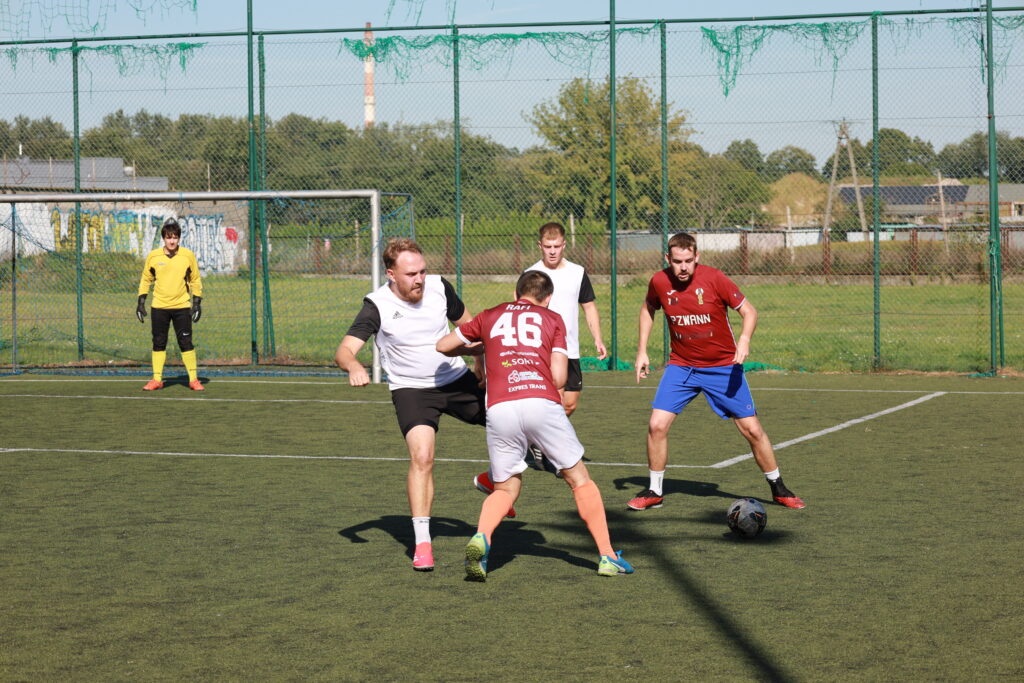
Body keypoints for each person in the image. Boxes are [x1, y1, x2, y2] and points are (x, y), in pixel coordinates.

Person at [437, 270, 635, 581]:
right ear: (548, 298)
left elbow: (443, 345)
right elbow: (559, 377)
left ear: (516, 294)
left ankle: (482, 537)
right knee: (580, 480)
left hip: (500, 407)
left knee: (506, 488)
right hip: (540, 402)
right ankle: (608, 556)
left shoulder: (490, 315)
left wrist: (483, 347)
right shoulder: (553, 319)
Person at [335, 238, 502, 572]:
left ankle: (494, 480)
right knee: (422, 457)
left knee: (511, 421)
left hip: (455, 380)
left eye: (422, 271)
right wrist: (353, 366)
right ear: (391, 274)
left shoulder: (440, 287)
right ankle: (423, 544)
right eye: (411, 274)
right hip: (412, 391)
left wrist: (480, 361)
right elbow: (344, 351)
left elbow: (471, 329)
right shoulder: (376, 305)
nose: (420, 279)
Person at [627, 232, 805, 511]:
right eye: (677, 261)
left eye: (688, 261)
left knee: (752, 430)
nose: (683, 267)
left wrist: (744, 340)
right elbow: (648, 307)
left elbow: (750, 312)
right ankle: (654, 490)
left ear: (697, 257)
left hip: (723, 367)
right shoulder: (659, 281)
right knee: (656, 425)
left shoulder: (715, 278)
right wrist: (642, 350)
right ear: (668, 259)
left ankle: (778, 487)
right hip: (682, 366)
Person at [522, 222, 606, 473]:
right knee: (555, 402)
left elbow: (588, 306)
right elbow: (519, 308)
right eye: (547, 246)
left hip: (570, 349)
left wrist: (598, 338)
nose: (552, 251)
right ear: (540, 245)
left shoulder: (577, 272)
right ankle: (556, 456)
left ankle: (535, 439)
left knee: (569, 404)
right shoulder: (531, 274)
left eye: (556, 246)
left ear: (564, 245)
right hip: (542, 351)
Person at [136, 217, 204, 392]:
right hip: (159, 307)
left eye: (175, 237)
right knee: (159, 342)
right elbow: (146, 279)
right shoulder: (153, 256)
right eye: (168, 237)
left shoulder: (187, 255)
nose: (172, 241)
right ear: (163, 238)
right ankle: (157, 379)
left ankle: (193, 379)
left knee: (186, 342)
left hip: (182, 306)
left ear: (179, 238)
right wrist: (141, 302)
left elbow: (195, 279)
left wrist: (197, 303)